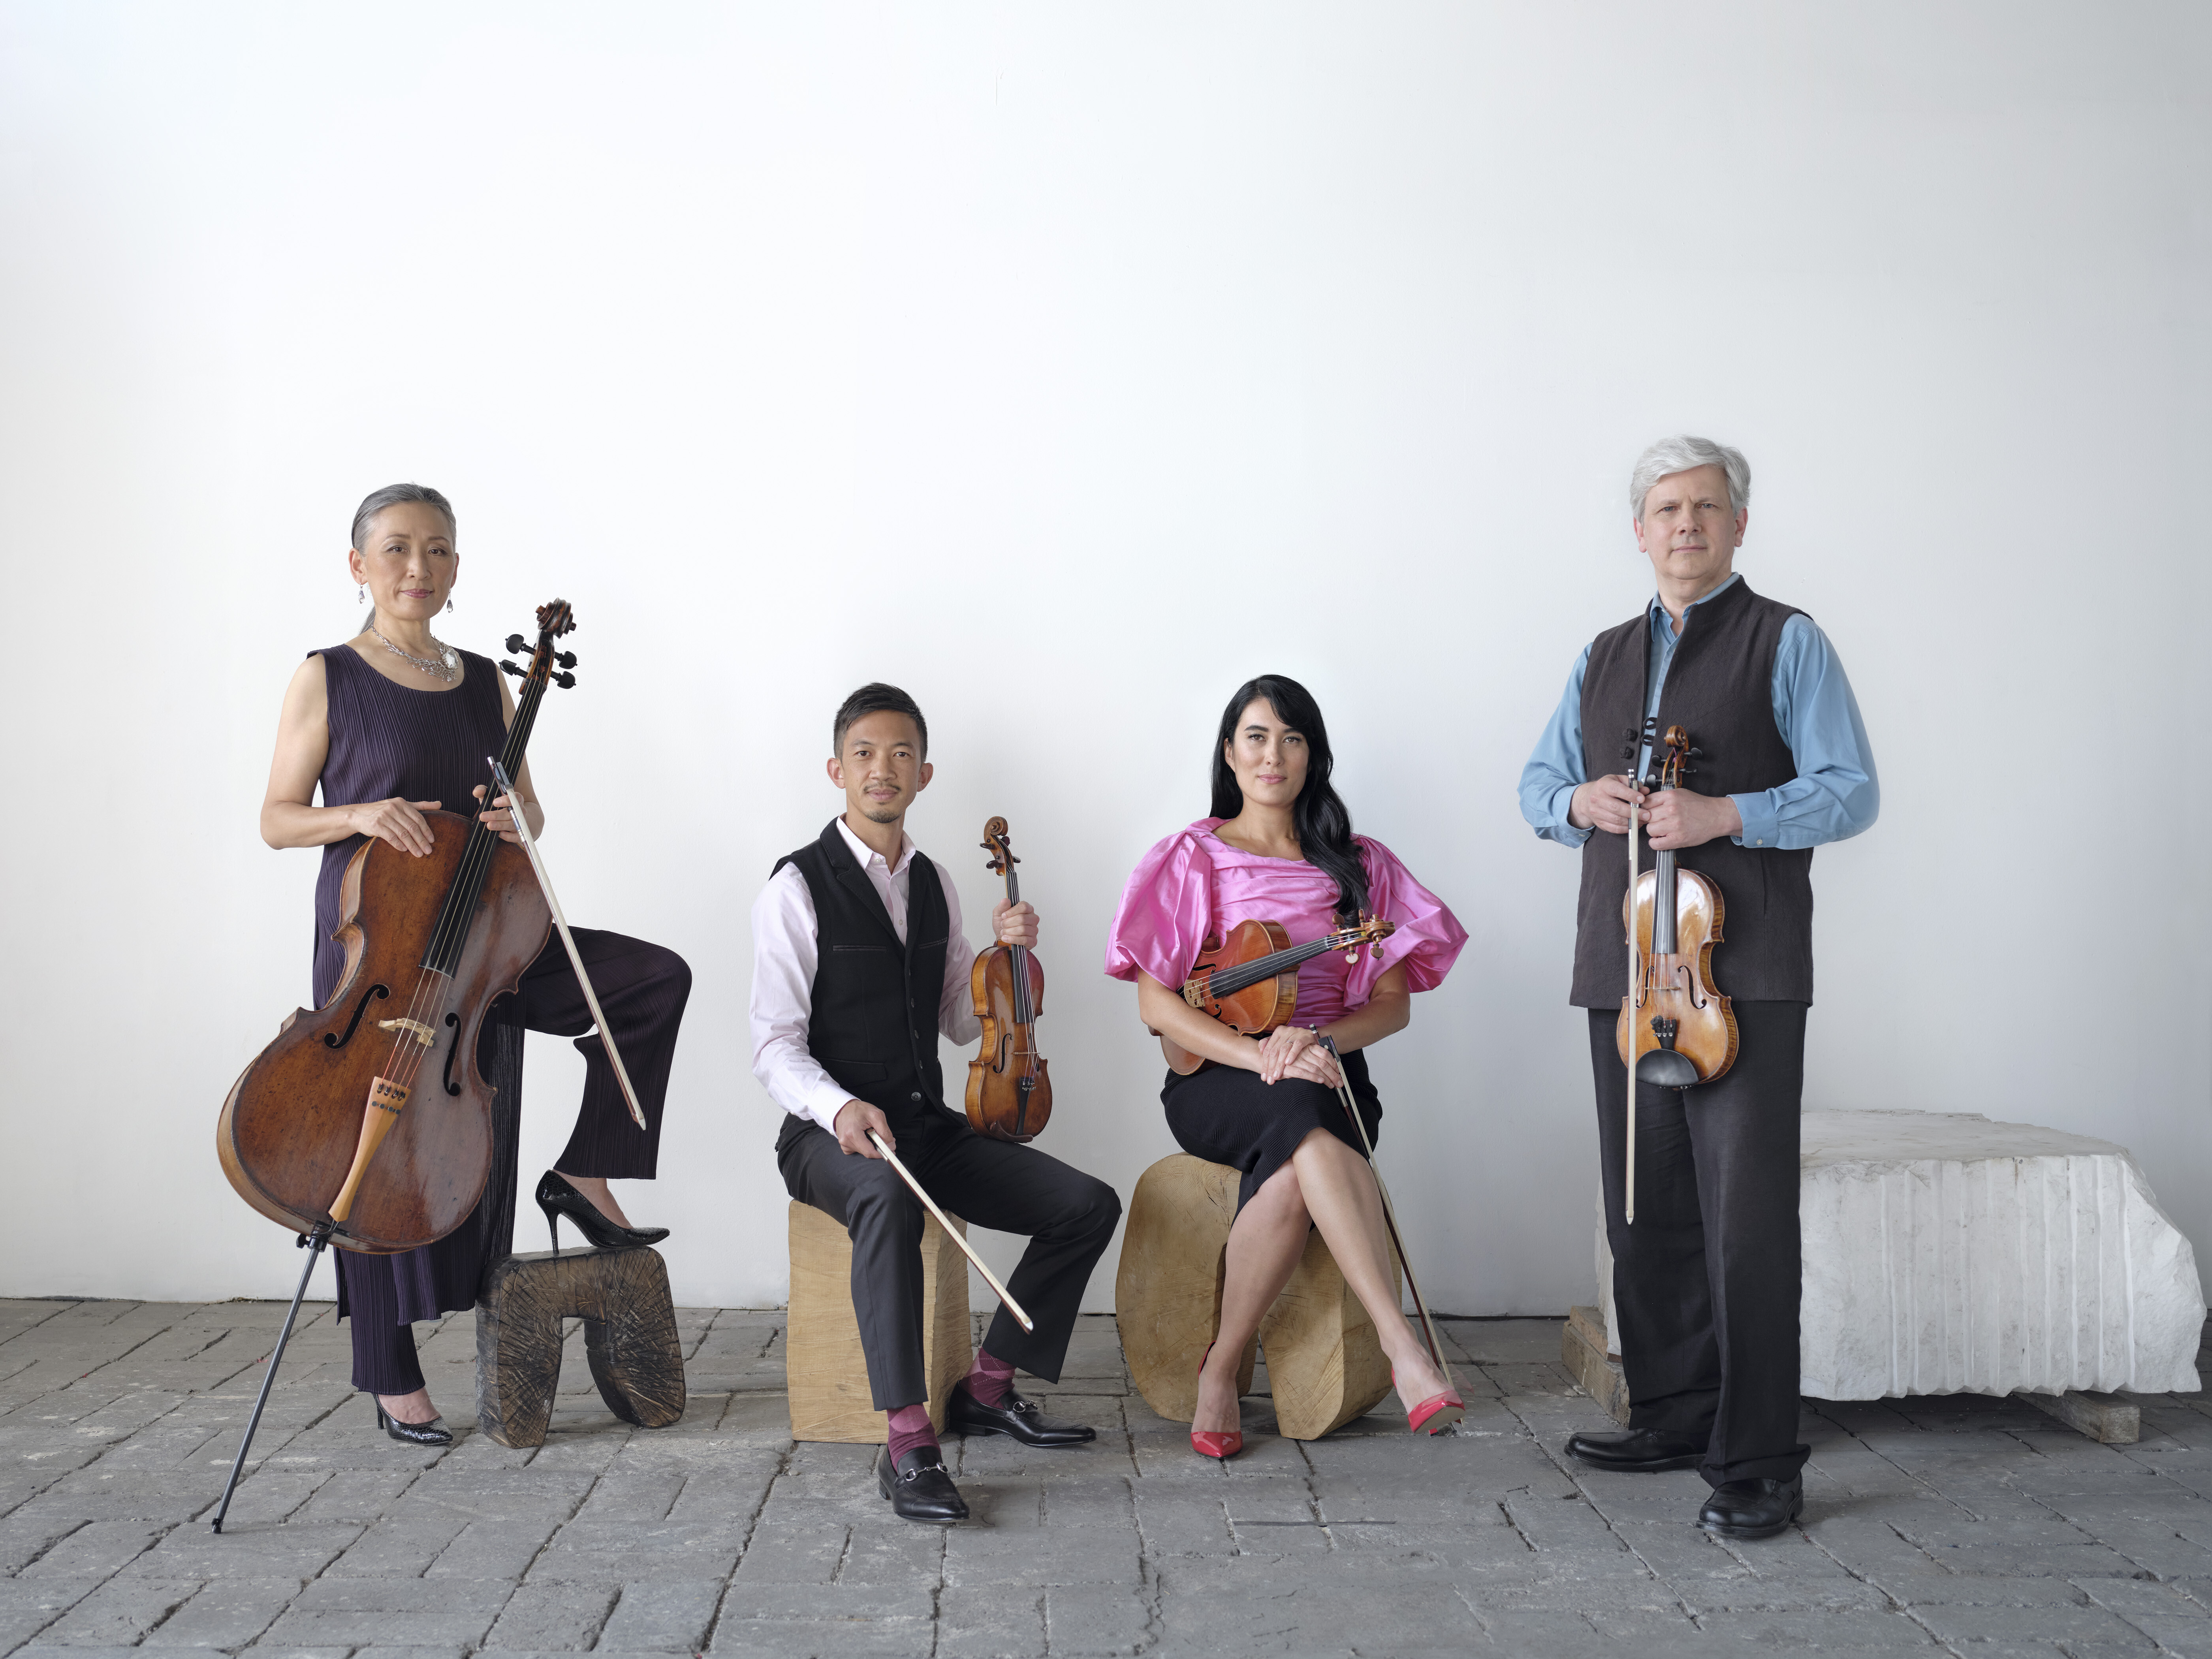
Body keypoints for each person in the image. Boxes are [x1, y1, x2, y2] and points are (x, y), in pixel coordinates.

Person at [260, 483, 692, 1446]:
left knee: (651, 980)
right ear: (359, 563)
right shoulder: (328, 674)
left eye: (440, 551)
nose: (420, 568)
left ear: (457, 565)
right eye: (400, 549)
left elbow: (527, 810)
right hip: (377, 948)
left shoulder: (489, 680)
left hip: (482, 938)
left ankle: (587, 1170)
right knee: (368, 1149)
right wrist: (361, 813)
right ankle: (390, 1371)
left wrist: (513, 820)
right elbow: (276, 818)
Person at [1517, 435, 1879, 1540]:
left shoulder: (1790, 640)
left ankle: (1761, 1458)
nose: (1686, 524)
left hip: (1747, 973)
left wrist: (1730, 815)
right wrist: (1581, 800)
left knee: (1746, 1224)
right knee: (1647, 1205)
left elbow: (1851, 790)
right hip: (1626, 966)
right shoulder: (1602, 654)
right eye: (1667, 508)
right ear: (1640, 530)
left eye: (1707, 508)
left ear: (1738, 526)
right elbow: (1534, 785)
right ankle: (1673, 1413)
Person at [751, 683, 1122, 1524]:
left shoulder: (938, 883)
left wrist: (1007, 961)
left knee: (1086, 1206)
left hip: (922, 1122)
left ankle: (988, 1387)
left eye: (900, 755)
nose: (882, 769)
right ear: (836, 770)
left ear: (924, 773)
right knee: (885, 1198)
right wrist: (839, 1108)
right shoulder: (795, 887)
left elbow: (962, 1021)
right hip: (827, 1135)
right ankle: (909, 1441)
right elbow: (774, 1045)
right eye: (864, 754)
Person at [1105, 674, 1469, 1458]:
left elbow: (1393, 1006)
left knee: (1300, 1142)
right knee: (1301, 1125)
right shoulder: (1192, 857)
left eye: (1292, 738)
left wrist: (1314, 1043)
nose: (1274, 755)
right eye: (1257, 736)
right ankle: (1404, 1349)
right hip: (1216, 1077)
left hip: (1327, 1069)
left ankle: (1221, 1365)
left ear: (1313, 756)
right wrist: (1255, 1052)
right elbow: (1157, 1007)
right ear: (1230, 754)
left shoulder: (1358, 866)